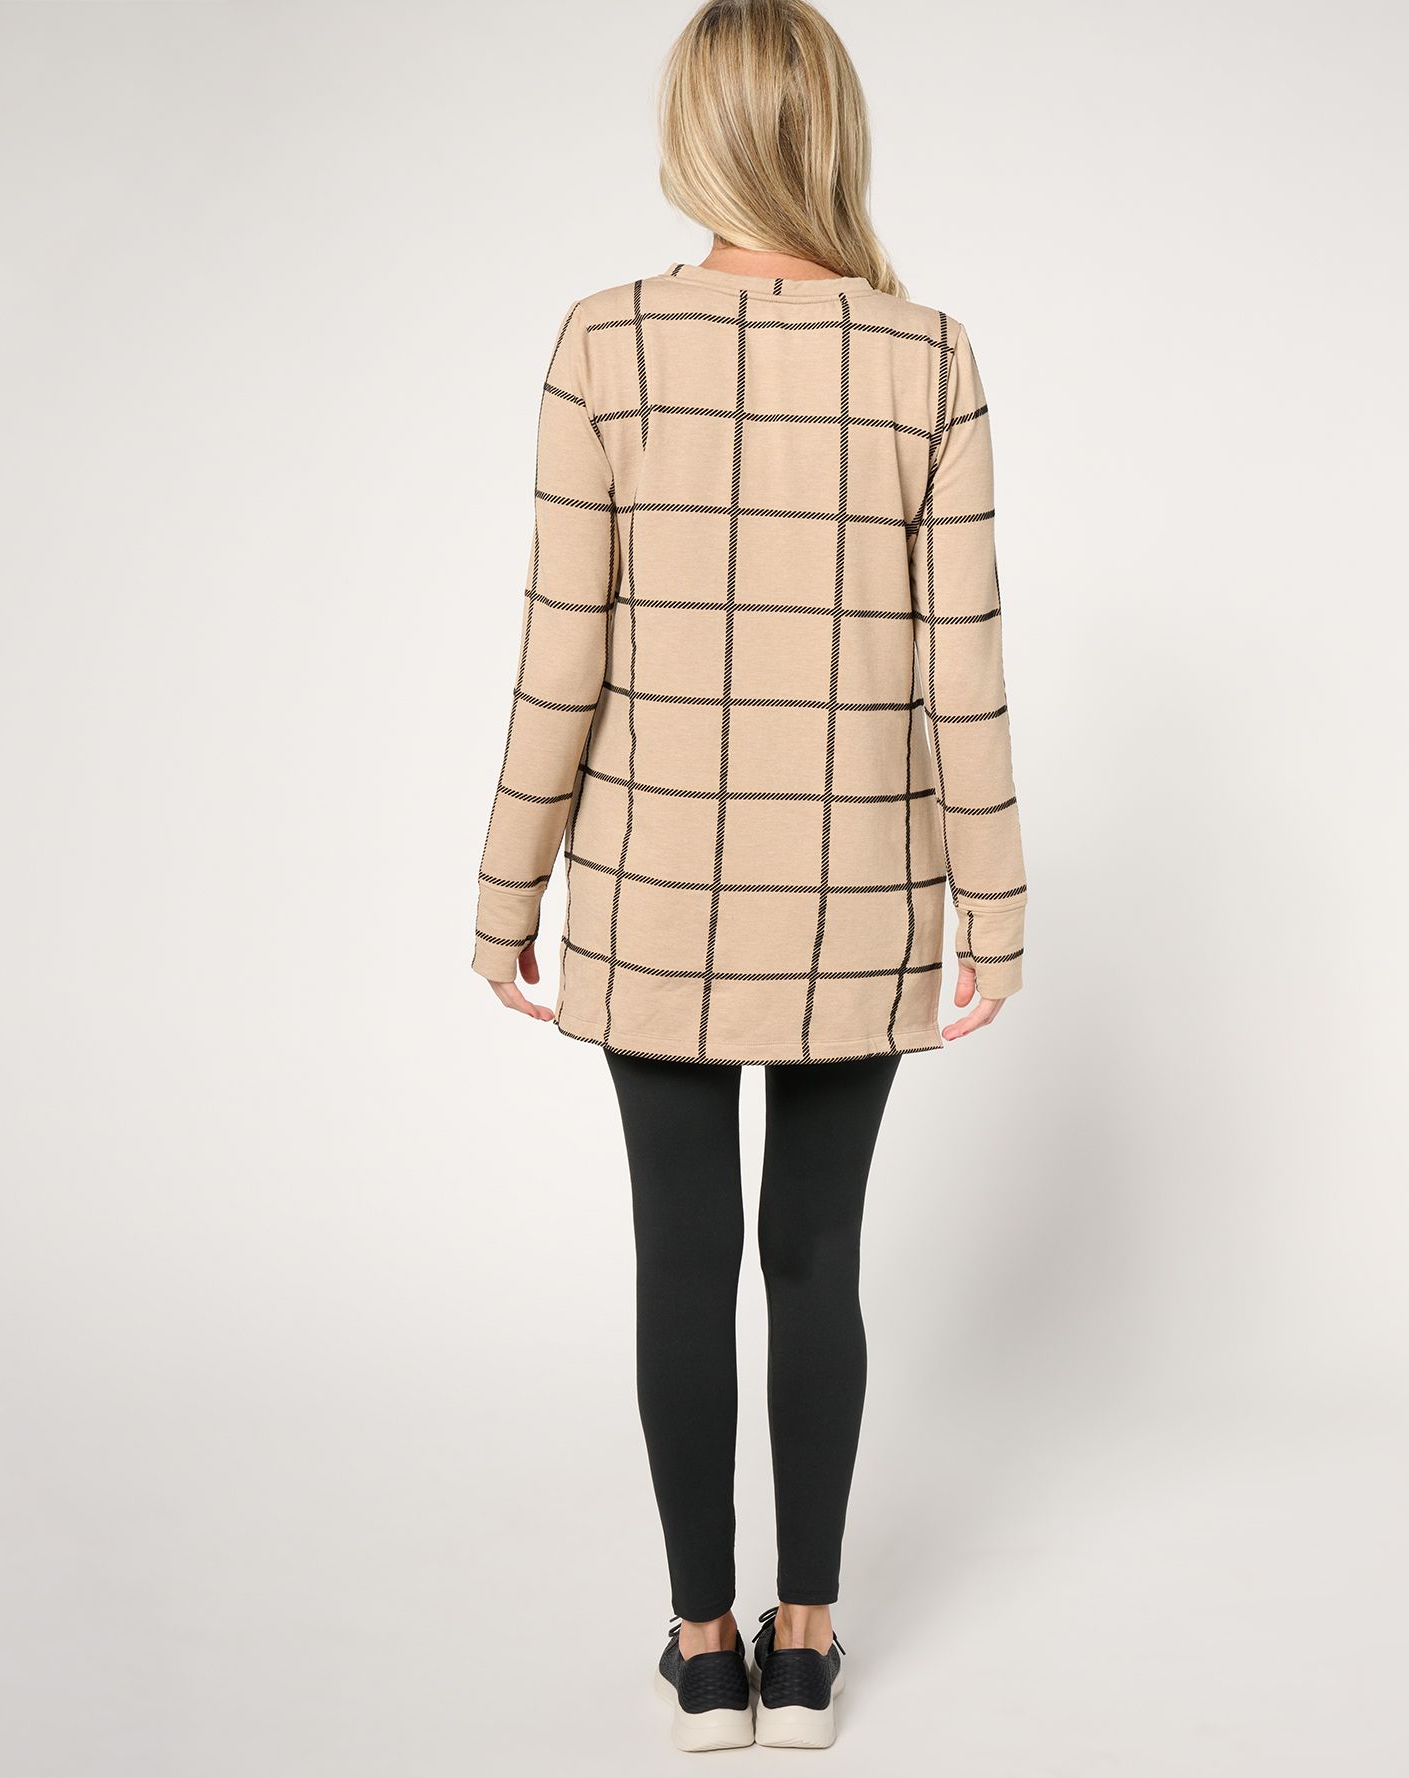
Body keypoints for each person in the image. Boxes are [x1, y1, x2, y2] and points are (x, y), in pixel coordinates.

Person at [470, 0, 1027, 1750]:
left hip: (655, 888)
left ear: (692, 133)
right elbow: (964, 668)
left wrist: (505, 893)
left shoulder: (604, 343)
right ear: (832, 131)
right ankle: (810, 1643)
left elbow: (561, 652)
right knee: (817, 1258)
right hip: (862, 888)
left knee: (682, 1258)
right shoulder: (928, 357)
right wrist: (996, 908)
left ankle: (705, 1651)